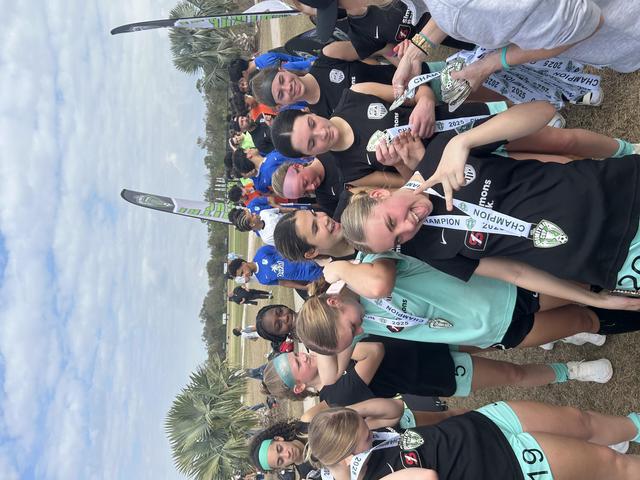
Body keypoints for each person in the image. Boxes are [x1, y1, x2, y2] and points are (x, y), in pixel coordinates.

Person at [339, 101, 640, 305]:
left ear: (379, 195)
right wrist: (593, 298)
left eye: (392, 222)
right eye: (397, 239)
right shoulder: (427, 249)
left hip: (619, 192)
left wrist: (463, 141)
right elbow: (515, 273)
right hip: (610, 261)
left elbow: (543, 111)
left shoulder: (442, 154)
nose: (408, 228)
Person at [294, 246, 640, 355]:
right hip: (496, 333)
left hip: (507, 294)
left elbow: (379, 285)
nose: (360, 332)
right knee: (584, 321)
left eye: (352, 328)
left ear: (334, 302)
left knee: (593, 289)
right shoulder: (353, 320)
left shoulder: (370, 265)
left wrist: (339, 267)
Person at [308, 404, 640, 480]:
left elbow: (393, 409)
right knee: (611, 464)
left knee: (579, 420)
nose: (369, 428)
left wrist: (354, 415)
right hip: (503, 463)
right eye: (363, 432)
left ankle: (633, 426)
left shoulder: (369, 439)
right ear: (347, 453)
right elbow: (427, 477)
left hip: (483, 424)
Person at [392, 0, 640, 98]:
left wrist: (488, 65)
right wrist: (415, 51)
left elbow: (581, 24)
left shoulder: (462, 10)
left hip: (625, 27)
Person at [250, 55, 397, 118]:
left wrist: (401, 68)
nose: (288, 88)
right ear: (281, 105)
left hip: (404, 75)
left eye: (282, 80)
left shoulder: (327, 59)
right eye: (281, 94)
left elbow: (378, 51)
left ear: (283, 70)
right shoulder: (324, 118)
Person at [270, 158, 346, 217]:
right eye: (306, 193)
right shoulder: (324, 199)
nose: (312, 187)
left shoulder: (331, 150)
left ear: (298, 166)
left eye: (305, 183)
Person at [226, 246, 323, 290]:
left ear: (243, 263)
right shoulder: (262, 280)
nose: (244, 275)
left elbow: (285, 249)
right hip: (310, 275)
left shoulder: (261, 252)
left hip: (311, 260)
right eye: (241, 275)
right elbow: (283, 283)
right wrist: (304, 287)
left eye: (242, 272)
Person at [232, 147, 303, 193]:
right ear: (248, 155)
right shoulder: (270, 167)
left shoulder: (268, 158)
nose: (249, 148)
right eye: (245, 150)